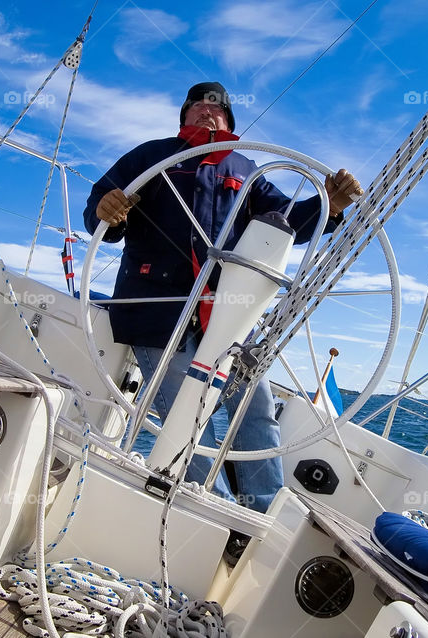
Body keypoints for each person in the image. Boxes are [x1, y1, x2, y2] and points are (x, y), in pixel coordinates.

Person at [83, 81, 362, 516]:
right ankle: (214, 515)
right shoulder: (152, 156)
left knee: (256, 410)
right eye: (196, 107)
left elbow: (286, 223)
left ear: (229, 122)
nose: (206, 113)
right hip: (158, 314)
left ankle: (265, 513)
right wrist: (108, 209)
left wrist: (330, 203)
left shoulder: (245, 168)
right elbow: (101, 208)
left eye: (216, 109)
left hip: (229, 316)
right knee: (183, 413)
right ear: (184, 116)